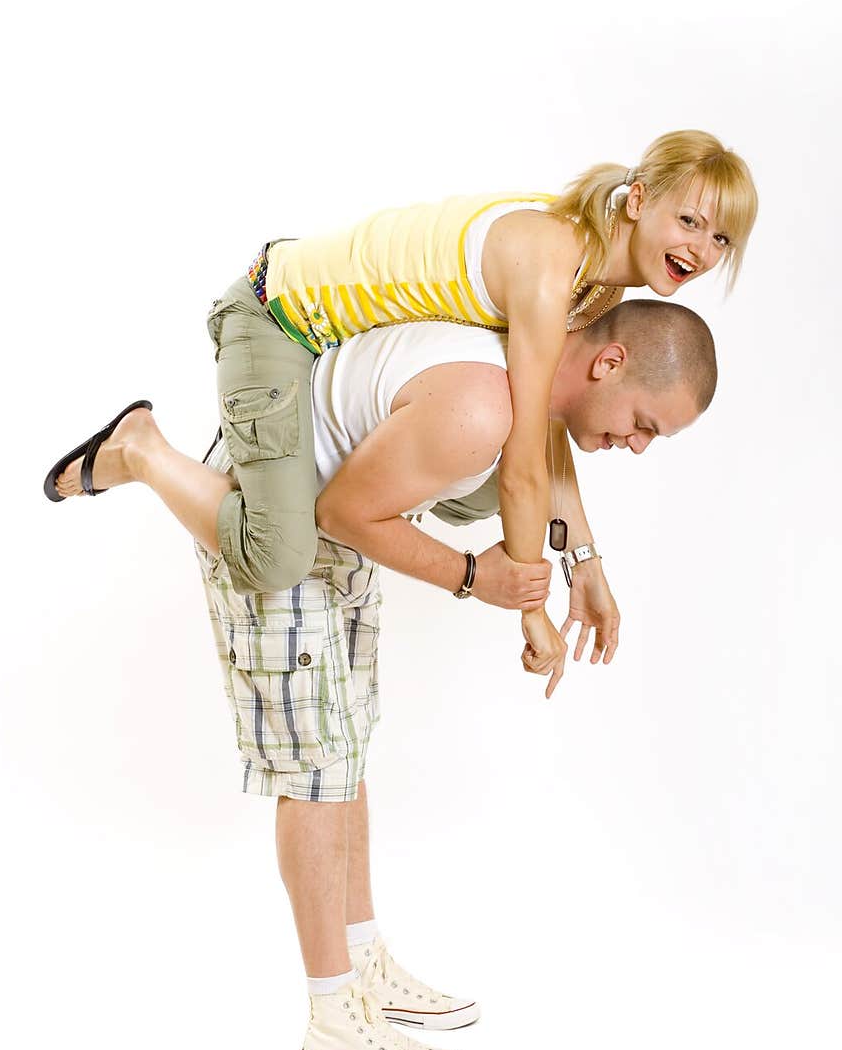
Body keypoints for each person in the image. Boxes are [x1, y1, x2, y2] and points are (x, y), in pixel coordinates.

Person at [194, 298, 716, 1050]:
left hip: (335, 524)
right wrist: (477, 578)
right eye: (644, 423)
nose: (637, 446)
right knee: (312, 771)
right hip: (275, 514)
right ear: (608, 365)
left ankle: (362, 961)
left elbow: (548, 466)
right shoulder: (481, 406)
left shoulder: (539, 372)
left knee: (347, 750)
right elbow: (342, 509)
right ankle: (331, 1014)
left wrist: (586, 570)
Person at [44, 131, 757, 694]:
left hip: (339, 345)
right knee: (277, 556)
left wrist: (584, 562)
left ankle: (362, 492)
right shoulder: (552, 267)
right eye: (688, 220)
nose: (700, 249)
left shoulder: (595, 284)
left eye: (721, 238)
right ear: (637, 200)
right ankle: (141, 448)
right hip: (276, 318)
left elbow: (543, 419)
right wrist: (524, 606)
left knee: (505, 430)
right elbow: (523, 473)